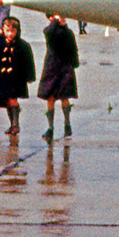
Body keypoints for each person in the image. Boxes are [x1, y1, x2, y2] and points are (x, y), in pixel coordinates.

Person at [0, 17, 35, 136]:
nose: (10, 34)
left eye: (12, 31)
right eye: (7, 31)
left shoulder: (23, 46)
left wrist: (30, 77)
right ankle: (12, 123)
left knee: (13, 99)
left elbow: (29, 62)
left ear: (17, 31)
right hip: (3, 78)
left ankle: (15, 125)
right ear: (3, 30)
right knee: (7, 101)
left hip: (17, 79)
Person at [37, 13, 80, 143]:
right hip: (52, 67)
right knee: (50, 97)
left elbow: (74, 48)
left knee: (64, 97)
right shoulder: (50, 31)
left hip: (65, 67)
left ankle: (67, 123)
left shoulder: (68, 32)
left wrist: (75, 62)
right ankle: (50, 127)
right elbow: (49, 32)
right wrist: (55, 21)